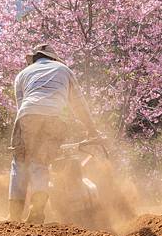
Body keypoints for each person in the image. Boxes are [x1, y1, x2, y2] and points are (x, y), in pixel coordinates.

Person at [8, 43, 98, 224]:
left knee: (19, 163)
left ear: (35, 58)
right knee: (40, 163)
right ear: (52, 58)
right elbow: (78, 104)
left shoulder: (22, 75)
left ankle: (14, 216)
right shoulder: (64, 70)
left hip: (27, 115)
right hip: (55, 118)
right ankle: (37, 211)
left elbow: (21, 107)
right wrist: (91, 129)